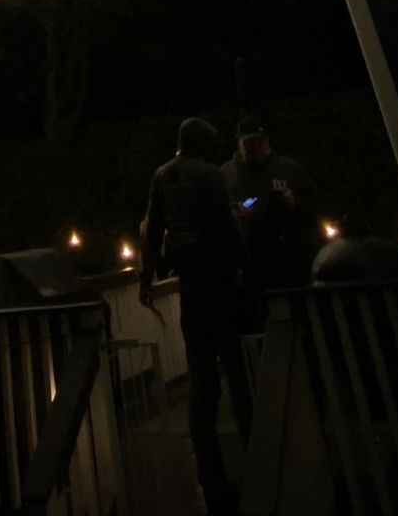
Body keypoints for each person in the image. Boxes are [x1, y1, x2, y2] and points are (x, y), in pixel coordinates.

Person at [140, 117, 252, 516]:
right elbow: (227, 230)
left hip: (189, 284)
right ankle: (255, 451)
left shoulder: (161, 176)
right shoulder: (209, 175)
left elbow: (153, 230)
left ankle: (209, 470)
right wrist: (241, 265)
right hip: (219, 282)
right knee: (235, 366)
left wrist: (145, 279)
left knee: (200, 373)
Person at [223, 114, 319, 332]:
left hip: (291, 261)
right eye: (249, 143)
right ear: (240, 145)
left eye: (259, 141)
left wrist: (295, 203)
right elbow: (220, 215)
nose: (255, 147)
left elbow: (314, 207)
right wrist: (238, 214)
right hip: (253, 265)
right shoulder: (229, 175)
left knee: (302, 320)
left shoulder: (288, 169)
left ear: (267, 141)